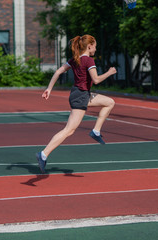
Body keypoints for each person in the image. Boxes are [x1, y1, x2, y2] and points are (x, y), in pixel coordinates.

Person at [36, 34, 117, 173]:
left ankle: (96, 131)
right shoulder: (89, 60)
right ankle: (43, 154)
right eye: (95, 46)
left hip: (81, 94)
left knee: (110, 102)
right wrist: (110, 72)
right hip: (81, 96)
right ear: (89, 46)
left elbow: (58, 71)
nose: (96, 49)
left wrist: (49, 89)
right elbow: (96, 80)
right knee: (69, 130)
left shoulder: (75, 59)